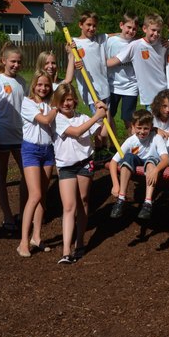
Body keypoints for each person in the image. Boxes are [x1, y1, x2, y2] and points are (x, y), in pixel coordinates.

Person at [52, 83, 107, 264]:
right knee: (69, 206)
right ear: (57, 102)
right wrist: (95, 117)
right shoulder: (57, 119)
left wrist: (104, 115)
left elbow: (102, 134)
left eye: (69, 100)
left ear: (74, 100)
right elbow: (76, 132)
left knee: (83, 201)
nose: (66, 104)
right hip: (66, 166)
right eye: (62, 100)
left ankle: (80, 242)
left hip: (85, 162)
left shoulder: (82, 117)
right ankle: (66, 250)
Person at [0, 42, 28, 232]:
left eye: (19, 62)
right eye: (12, 62)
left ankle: (24, 212)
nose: (16, 65)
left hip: (21, 136)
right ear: (4, 61)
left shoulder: (22, 82)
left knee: (27, 174)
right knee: (0, 176)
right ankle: (7, 215)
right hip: (1, 136)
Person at [16, 70, 58, 258]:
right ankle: (23, 241)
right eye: (40, 84)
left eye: (47, 85)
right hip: (31, 149)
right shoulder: (27, 103)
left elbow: (67, 86)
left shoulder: (50, 103)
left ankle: (37, 236)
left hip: (48, 150)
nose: (43, 88)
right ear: (33, 85)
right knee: (35, 194)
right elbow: (45, 120)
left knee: (43, 197)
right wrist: (56, 109)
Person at [108, 109, 169, 220]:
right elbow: (113, 162)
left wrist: (156, 170)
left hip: (151, 164)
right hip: (136, 161)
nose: (142, 131)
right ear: (133, 126)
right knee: (127, 158)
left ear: (151, 127)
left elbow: (166, 159)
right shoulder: (131, 141)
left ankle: (147, 203)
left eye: (146, 128)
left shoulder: (156, 138)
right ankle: (121, 199)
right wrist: (115, 184)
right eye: (139, 128)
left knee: (151, 162)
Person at [107, 13, 168, 107]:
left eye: (159, 31)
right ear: (144, 29)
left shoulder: (164, 44)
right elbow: (113, 61)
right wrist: (93, 62)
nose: (156, 34)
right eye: (153, 30)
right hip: (149, 96)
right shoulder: (135, 45)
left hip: (165, 92)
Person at [106, 12, 139, 136]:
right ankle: (113, 145)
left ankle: (132, 146)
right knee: (108, 115)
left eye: (134, 29)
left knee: (128, 119)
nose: (131, 31)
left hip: (131, 86)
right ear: (121, 25)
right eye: (128, 27)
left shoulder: (137, 43)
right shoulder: (110, 41)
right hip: (112, 84)